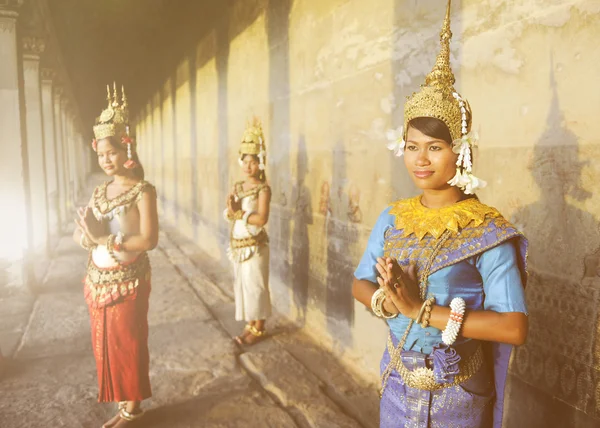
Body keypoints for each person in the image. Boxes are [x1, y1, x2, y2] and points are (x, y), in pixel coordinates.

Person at [352, 2, 528, 427]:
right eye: (413, 146)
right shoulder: (393, 217)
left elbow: (513, 328)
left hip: (458, 395)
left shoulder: (486, 229)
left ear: (461, 152)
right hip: (396, 382)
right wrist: (387, 300)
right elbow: (358, 283)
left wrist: (419, 311)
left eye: (435, 147)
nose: (421, 160)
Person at [74, 84, 158, 428]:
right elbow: (85, 236)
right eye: (101, 155)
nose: (106, 160)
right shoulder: (100, 191)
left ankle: (132, 410)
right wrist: (85, 234)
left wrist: (105, 241)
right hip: (97, 281)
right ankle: (123, 402)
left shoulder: (142, 190)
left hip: (128, 281)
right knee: (106, 346)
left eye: (111, 153)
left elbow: (149, 239)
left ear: (127, 149)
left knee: (129, 342)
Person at [224, 118, 272, 346]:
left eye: (253, 162)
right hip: (238, 245)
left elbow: (261, 219)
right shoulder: (238, 187)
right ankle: (250, 324)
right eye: (244, 161)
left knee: (256, 286)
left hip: (256, 246)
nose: (248, 166)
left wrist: (239, 213)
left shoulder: (263, 189)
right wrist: (231, 211)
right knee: (243, 286)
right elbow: (230, 212)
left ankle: (259, 328)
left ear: (260, 163)